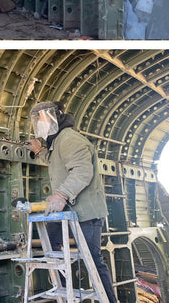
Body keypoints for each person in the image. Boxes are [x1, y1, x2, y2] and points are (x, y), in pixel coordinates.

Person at [27, 101, 118, 303]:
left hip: (86, 214)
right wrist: (40, 151)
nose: (39, 124)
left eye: (41, 119)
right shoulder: (58, 142)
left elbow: (82, 170)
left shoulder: (69, 139)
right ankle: (65, 293)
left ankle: (109, 300)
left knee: (93, 260)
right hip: (70, 213)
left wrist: (61, 195)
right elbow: (57, 162)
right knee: (50, 242)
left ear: (53, 117)